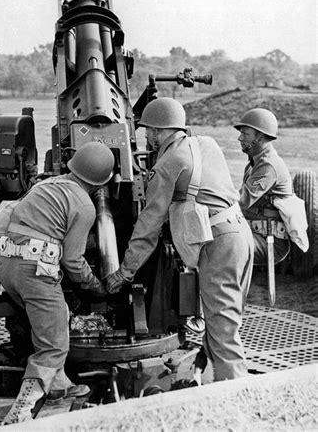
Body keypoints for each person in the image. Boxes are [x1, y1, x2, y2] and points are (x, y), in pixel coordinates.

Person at [105, 98, 254, 382]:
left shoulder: (168, 164)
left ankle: (235, 402)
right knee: (223, 322)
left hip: (217, 244)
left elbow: (148, 225)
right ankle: (213, 379)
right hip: (240, 236)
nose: (146, 136)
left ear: (160, 131)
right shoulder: (206, 143)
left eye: (148, 130)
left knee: (224, 332)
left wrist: (125, 272)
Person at [0, 141, 114, 425]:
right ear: (100, 182)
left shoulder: (46, 185)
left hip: (6, 266)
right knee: (54, 345)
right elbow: (73, 261)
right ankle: (21, 411)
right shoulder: (84, 206)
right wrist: (95, 285)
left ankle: (59, 386)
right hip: (34, 270)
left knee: (52, 319)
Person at [234, 108, 308, 265]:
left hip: (271, 242)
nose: (240, 138)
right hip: (257, 233)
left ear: (259, 136)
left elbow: (241, 202)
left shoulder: (268, 166)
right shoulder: (254, 163)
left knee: (223, 246)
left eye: (245, 133)